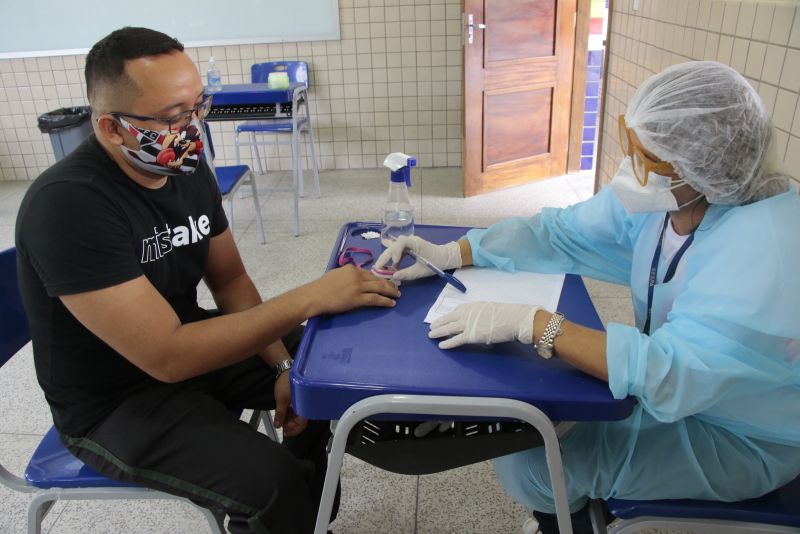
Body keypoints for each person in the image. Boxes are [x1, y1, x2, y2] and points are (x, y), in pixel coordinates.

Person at [375, 61, 800, 533]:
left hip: (742, 435)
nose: (631, 171)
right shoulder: (674, 202)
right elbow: (560, 233)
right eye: (632, 147)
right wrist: (457, 250)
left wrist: (537, 324)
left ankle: (567, 521)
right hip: (687, 393)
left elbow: (668, 372)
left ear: (700, 168)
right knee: (533, 430)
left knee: (538, 463)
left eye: (648, 159)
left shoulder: (767, 247)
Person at [15, 27, 400, 534]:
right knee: (270, 484)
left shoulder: (184, 168)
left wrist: (285, 366)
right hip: (113, 402)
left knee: (321, 373)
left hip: (188, 346)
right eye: (174, 117)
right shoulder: (68, 207)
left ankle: (307, 517)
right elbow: (168, 356)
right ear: (110, 128)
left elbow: (232, 279)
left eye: (199, 105)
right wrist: (310, 297)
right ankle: (284, 507)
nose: (194, 127)